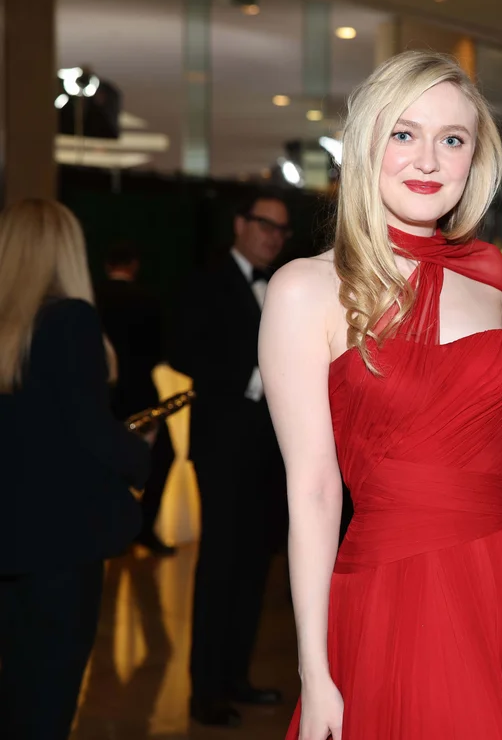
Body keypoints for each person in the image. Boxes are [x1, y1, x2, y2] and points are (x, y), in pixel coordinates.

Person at [261, 51, 502, 740]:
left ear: (474, 159)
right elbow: (313, 489)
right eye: (404, 134)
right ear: (367, 144)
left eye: (452, 139)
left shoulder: (489, 280)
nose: (429, 160)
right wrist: (315, 670)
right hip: (401, 587)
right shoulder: (306, 289)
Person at [0, 198, 152, 740]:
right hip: (59, 547)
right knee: (46, 702)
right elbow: (91, 431)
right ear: (65, 251)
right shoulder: (70, 319)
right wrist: (140, 453)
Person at [169, 192, 291, 726]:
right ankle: (205, 690)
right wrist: (258, 371)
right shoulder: (207, 282)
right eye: (265, 224)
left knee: (254, 568)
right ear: (240, 224)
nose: (273, 236)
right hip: (223, 446)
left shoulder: (283, 285)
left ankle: (237, 676)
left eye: (281, 229)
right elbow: (182, 350)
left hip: (271, 450)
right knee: (220, 566)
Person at [95, 241, 177, 556]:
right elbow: (161, 351)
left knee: (103, 462)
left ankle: (105, 527)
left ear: (107, 266)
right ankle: (141, 528)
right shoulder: (148, 300)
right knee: (161, 457)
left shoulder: (90, 297)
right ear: (134, 266)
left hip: (103, 395)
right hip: (141, 394)